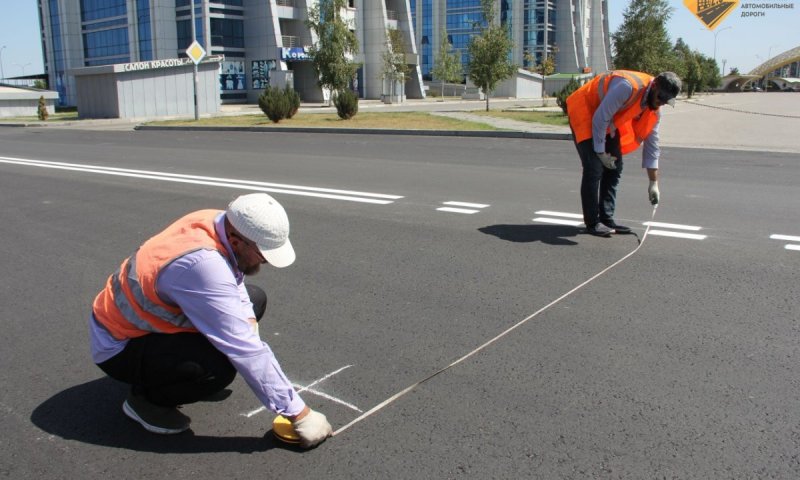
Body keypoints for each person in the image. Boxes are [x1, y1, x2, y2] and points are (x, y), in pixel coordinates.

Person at [89, 192, 333, 448]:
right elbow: (244, 349)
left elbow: (234, 277)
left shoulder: (215, 221)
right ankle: (147, 402)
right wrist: (299, 414)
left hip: (148, 322)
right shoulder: (203, 265)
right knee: (218, 367)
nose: (266, 262)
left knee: (253, 300)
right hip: (120, 345)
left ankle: (172, 372)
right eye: (263, 254)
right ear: (237, 241)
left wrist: (247, 320)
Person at [566, 70, 682, 237]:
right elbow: (599, 118)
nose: (660, 103)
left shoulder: (654, 111)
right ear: (654, 85)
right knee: (594, 168)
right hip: (584, 109)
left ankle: (606, 219)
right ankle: (592, 223)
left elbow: (652, 146)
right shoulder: (627, 87)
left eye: (665, 101)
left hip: (606, 120)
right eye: (660, 98)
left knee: (615, 167)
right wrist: (600, 152)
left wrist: (653, 183)